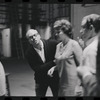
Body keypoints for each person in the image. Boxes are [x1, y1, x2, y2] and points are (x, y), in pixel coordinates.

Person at [48, 19, 82, 96]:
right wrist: (54, 68)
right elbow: (62, 62)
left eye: (58, 32)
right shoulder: (58, 46)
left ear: (66, 31)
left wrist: (79, 86)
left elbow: (82, 66)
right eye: (55, 32)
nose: (56, 34)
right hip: (62, 83)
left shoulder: (74, 45)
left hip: (73, 84)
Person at [25, 29, 59, 96]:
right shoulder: (29, 53)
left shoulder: (52, 44)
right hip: (41, 79)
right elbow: (37, 69)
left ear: (39, 35)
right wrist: (53, 62)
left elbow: (62, 45)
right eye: (31, 37)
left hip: (54, 77)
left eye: (35, 35)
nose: (34, 38)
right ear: (29, 41)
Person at [77, 14, 100, 96]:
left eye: (83, 27)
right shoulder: (93, 46)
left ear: (91, 28)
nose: (81, 31)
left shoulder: (91, 49)